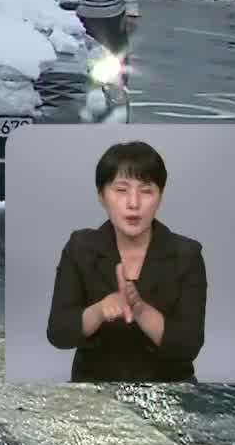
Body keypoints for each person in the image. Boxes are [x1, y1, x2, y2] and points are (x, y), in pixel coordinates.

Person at [46, 141, 206, 382]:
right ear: (102, 196)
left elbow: (188, 346)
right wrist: (100, 311)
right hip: (94, 390)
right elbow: (59, 334)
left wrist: (140, 310)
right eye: (121, 190)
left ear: (160, 197)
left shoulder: (187, 254)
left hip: (168, 390)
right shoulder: (80, 249)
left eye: (146, 191)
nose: (134, 203)